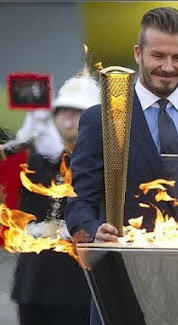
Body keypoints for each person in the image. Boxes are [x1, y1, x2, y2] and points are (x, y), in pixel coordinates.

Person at [65, 7, 178, 324]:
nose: (168, 67)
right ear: (138, 53)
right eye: (158, 55)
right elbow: (79, 202)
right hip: (122, 288)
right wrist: (94, 231)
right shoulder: (103, 118)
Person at [11, 73, 101, 325]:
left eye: (77, 112)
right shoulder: (42, 156)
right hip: (35, 283)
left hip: (77, 286)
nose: (68, 119)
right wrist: (26, 147)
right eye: (63, 111)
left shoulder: (103, 161)